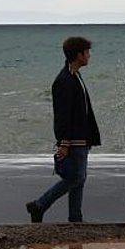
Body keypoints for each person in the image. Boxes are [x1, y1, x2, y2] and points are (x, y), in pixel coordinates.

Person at [26, 36, 101, 223]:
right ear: (78, 55)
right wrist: (64, 142)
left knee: (79, 178)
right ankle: (40, 205)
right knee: (75, 178)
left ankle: (75, 217)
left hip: (82, 138)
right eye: (87, 52)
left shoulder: (75, 76)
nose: (89, 56)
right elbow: (62, 115)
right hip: (73, 139)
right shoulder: (65, 80)